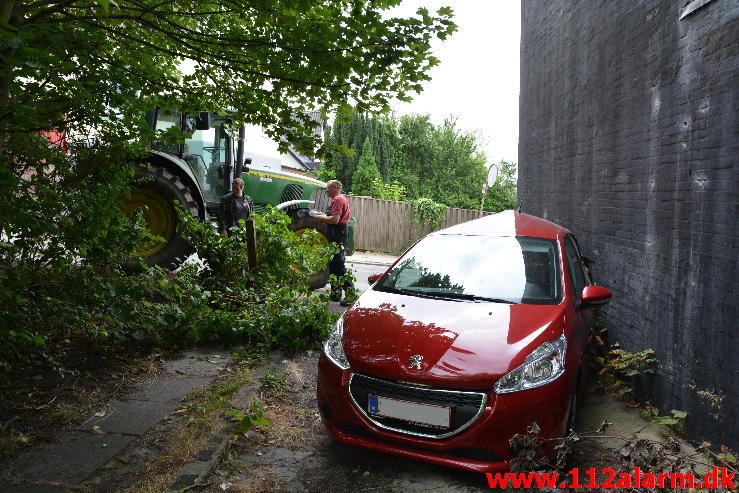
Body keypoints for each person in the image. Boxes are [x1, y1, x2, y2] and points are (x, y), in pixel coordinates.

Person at [312, 180, 357, 306]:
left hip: (338, 233)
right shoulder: (338, 199)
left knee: (338, 265)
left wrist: (320, 218)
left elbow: (335, 219)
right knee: (332, 264)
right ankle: (335, 293)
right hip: (337, 233)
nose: (326, 190)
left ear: (336, 187)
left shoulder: (338, 199)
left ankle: (351, 293)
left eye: (328, 188)